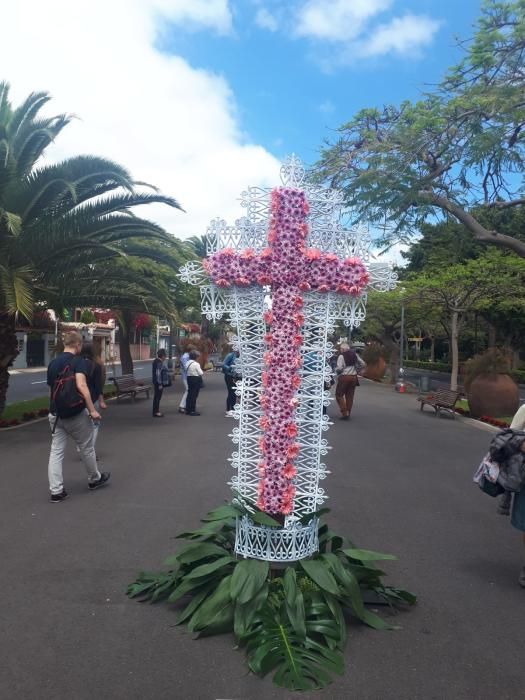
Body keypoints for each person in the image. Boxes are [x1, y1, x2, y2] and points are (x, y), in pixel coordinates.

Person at [47, 330, 110, 503]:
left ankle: (56, 491)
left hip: (56, 415)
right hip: (75, 414)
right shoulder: (79, 362)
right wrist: (92, 410)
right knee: (86, 447)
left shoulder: (52, 364)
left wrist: (53, 409)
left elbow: (51, 390)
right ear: (77, 345)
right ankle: (94, 479)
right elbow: (82, 385)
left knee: (56, 452)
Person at [79, 341, 107, 447]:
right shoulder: (97, 366)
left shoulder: (76, 363)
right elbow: (98, 385)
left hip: (79, 398)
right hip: (93, 398)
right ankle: (89, 449)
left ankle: (81, 446)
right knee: (94, 425)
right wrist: (101, 401)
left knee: (81, 424)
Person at [335, 343, 365, 420]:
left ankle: (345, 412)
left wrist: (337, 371)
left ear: (343, 349)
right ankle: (348, 412)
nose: (340, 350)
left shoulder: (341, 356)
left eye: (341, 349)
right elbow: (363, 363)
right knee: (350, 396)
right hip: (354, 377)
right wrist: (357, 370)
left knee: (339, 394)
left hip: (344, 377)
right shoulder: (355, 355)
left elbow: (339, 368)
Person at [185, 350, 204, 416]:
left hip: (189, 378)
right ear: (196, 357)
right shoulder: (196, 364)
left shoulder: (187, 363)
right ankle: (192, 410)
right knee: (194, 395)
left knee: (189, 394)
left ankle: (187, 409)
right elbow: (201, 373)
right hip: (195, 379)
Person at [152, 348, 169, 418]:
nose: (166, 357)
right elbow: (158, 374)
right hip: (158, 383)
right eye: (165, 355)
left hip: (156, 382)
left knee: (157, 397)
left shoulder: (156, 361)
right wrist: (160, 384)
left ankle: (155, 411)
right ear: (162, 356)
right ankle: (156, 412)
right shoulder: (159, 362)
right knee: (157, 397)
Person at [222, 348, 240, 416]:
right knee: (231, 392)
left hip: (237, 376)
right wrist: (230, 368)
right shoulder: (230, 355)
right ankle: (229, 409)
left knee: (235, 393)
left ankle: (233, 409)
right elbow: (223, 364)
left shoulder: (241, 356)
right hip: (229, 376)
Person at [178, 346, 193, 414]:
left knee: (188, 390)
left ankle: (185, 405)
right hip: (186, 376)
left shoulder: (187, 357)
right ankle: (182, 406)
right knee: (187, 390)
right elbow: (186, 367)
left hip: (188, 376)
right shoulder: (185, 357)